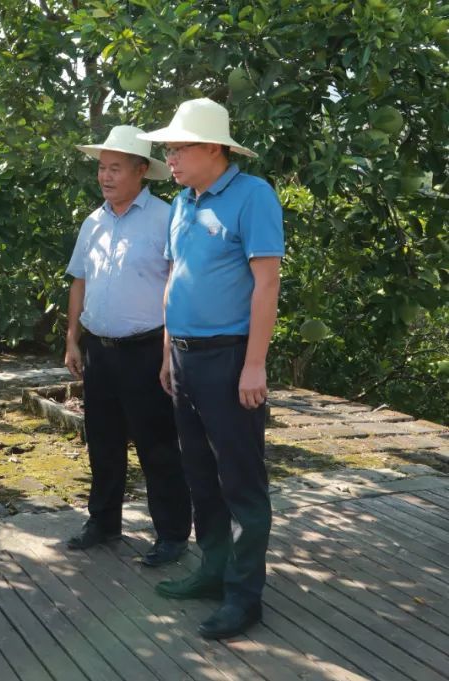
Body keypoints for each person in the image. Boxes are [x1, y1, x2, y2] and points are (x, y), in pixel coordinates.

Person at [139, 99, 284, 639]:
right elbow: (173, 281)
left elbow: (266, 285)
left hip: (230, 358)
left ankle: (245, 597)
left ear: (216, 149)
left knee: (242, 481)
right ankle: (213, 570)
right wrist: (165, 354)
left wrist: (254, 365)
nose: (170, 158)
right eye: (169, 149)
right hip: (182, 357)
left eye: (180, 148)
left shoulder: (253, 196)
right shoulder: (181, 203)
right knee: (199, 474)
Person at [63, 126, 192, 566]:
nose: (105, 176)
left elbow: (178, 282)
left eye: (115, 168)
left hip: (146, 351)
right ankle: (103, 521)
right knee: (101, 441)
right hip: (99, 350)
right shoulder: (93, 221)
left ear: (141, 171)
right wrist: (72, 339)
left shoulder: (166, 216)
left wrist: (170, 350)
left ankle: (172, 534)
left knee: (157, 446)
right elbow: (79, 279)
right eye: (101, 168)